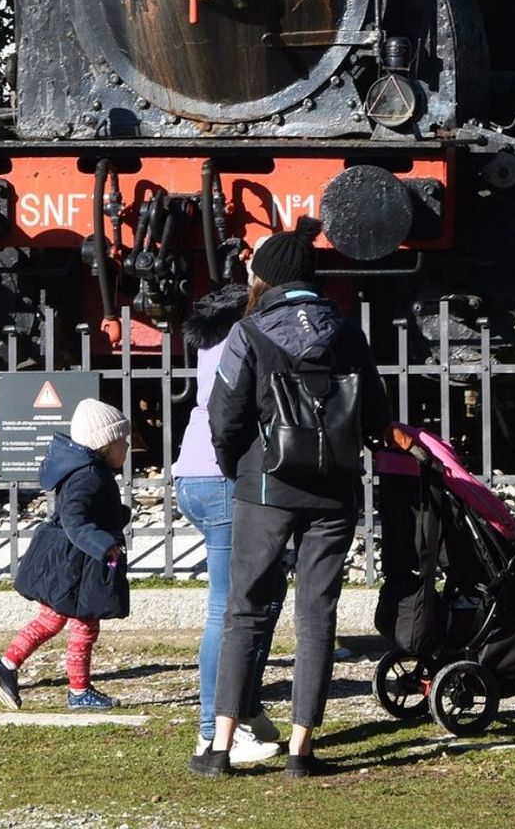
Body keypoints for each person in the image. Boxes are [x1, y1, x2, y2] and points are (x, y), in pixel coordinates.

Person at [193, 230, 389, 778]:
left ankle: (219, 748)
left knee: (245, 611)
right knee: (317, 614)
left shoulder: (249, 331)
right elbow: (376, 415)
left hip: (264, 487)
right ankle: (302, 751)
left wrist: (238, 466)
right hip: (334, 491)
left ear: (267, 277)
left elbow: (224, 416)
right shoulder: (346, 331)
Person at [173, 281, 284, 766]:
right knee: (229, 608)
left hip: (191, 473)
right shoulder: (244, 337)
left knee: (261, 593)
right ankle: (213, 729)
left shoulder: (212, 342)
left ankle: (244, 706)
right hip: (222, 476)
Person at [0, 397, 133, 711]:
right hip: (78, 563)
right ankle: (78, 691)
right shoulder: (89, 475)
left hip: (68, 559)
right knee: (85, 624)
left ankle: (7, 665)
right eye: (123, 439)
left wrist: (115, 516)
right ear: (106, 444)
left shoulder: (87, 470)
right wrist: (103, 544)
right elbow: (74, 518)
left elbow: (84, 512)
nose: (128, 446)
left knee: (51, 618)